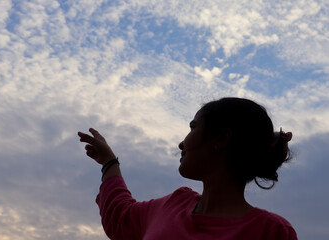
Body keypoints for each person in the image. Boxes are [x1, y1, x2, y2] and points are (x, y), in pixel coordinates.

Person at [78, 97, 297, 240]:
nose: (182, 143)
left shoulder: (273, 232)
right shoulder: (174, 203)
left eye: (193, 127)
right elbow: (120, 217)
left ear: (221, 137)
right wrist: (108, 162)